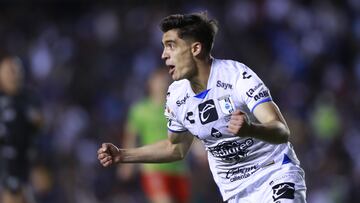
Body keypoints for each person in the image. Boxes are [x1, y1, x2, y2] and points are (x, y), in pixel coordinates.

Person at [98, 12, 307, 202]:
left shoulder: (237, 77)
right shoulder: (176, 96)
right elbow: (176, 147)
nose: (164, 55)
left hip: (275, 174)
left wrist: (251, 129)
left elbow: (281, 131)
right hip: (235, 192)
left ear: (195, 48)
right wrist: (122, 155)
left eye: (171, 45)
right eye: (163, 47)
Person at [118, 68, 190, 203]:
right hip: (153, 167)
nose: (162, 84)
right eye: (158, 81)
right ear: (150, 83)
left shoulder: (177, 107)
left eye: (164, 81)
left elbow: (190, 132)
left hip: (178, 168)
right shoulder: (140, 110)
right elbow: (131, 137)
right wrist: (126, 162)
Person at [0, 54, 43, 203]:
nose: (14, 75)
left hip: (24, 167)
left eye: (17, 70)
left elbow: (39, 129)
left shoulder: (30, 98)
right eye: (9, 71)